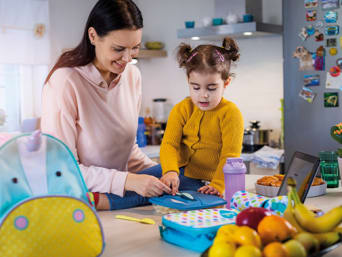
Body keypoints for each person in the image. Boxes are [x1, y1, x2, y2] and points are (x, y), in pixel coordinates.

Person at [41, 0, 171, 210]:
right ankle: (101, 201)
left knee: (186, 174)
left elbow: (128, 152)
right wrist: (129, 181)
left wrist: (162, 177)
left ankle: (116, 199)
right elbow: (62, 170)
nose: (128, 58)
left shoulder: (132, 75)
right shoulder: (65, 82)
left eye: (135, 48)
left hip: (119, 188)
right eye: (119, 49)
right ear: (93, 36)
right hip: (79, 194)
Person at [160, 37, 244, 197]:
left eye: (212, 88)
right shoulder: (181, 109)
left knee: (147, 192)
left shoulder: (230, 113)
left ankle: (100, 200)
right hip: (179, 171)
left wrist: (218, 184)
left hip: (208, 182)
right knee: (142, 180)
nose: (203, 95)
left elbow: (230, 155)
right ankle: (99, 199)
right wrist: (170, 171)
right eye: (196, 87)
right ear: (188, 81)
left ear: (226, 83)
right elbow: (169, 144)